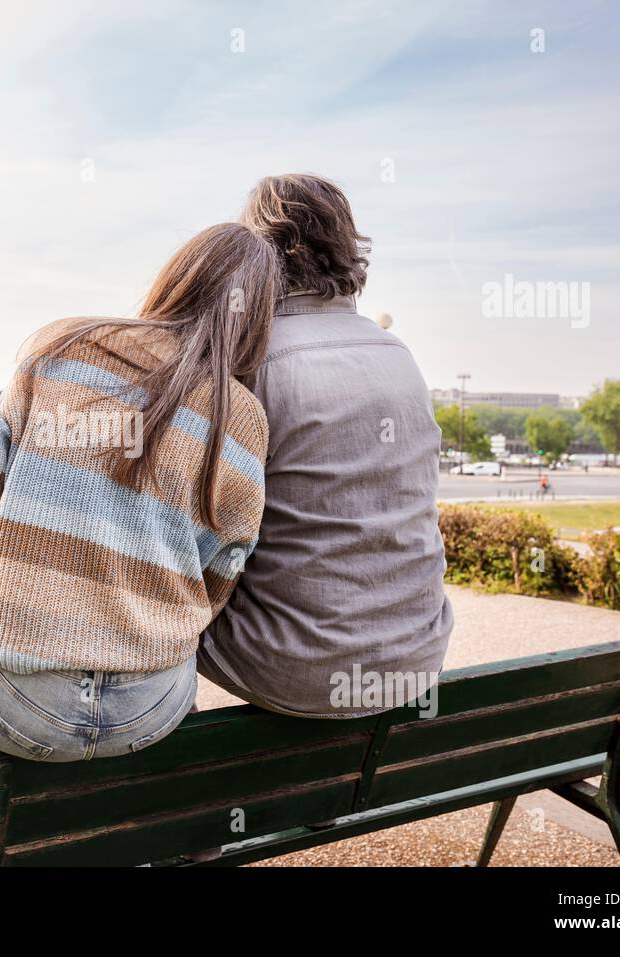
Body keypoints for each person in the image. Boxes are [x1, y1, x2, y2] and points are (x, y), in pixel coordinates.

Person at [0, 223, 279, 761]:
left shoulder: (60, 349)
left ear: (175, 278)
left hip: (11, 700)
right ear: (257, 319)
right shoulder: (242, 418)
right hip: (149, 707)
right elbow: (220, 575)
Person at [199, 174, 454, 717]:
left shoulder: (251, 363)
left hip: (293, 669)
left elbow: (199, 528)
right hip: (415, 657)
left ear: (257, 253)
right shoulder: (398, 354)